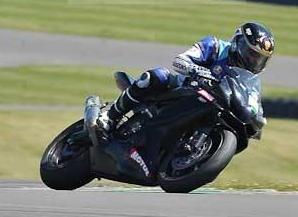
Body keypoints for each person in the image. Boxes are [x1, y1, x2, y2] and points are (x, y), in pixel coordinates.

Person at [98, 22, 275, 138]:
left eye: (259, 58)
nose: (253, 61)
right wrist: (198, 70)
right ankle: (110, 116)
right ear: (238, 43)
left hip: (211, 106)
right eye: (251, 54)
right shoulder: (215, 46)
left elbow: (253, 104)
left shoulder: (250, 79)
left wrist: (257, 122)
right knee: (158, 76)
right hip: (183, 88)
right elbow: (180, 61)